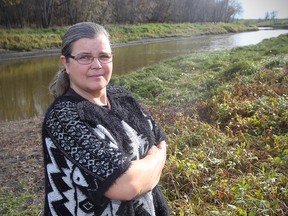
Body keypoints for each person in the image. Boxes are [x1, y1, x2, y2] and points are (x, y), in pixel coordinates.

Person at [42, 22, 169, 216]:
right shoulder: (63, 118)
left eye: (104, 56)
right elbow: (126, 185)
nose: (97, 65)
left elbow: (160, 139)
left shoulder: (121, 97)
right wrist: (156, 161)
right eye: (85, 57)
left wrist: (144, 171)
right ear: (66, 63)